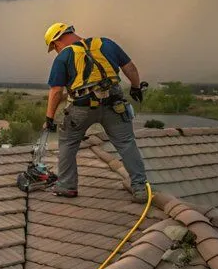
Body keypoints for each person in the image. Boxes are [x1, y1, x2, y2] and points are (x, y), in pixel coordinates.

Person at [42, 22, 149, 203]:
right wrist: (136, 87)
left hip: (81, 107)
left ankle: (67, 186)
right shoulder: (106, 44)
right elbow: (130, 68)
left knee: (68, 142)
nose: (56, 50)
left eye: (54, 47)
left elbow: (56, 92)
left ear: (57, 40)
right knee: (126, 143)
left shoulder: (64, 57)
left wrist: (49, 118)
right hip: (114, 104)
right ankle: (140, 188)